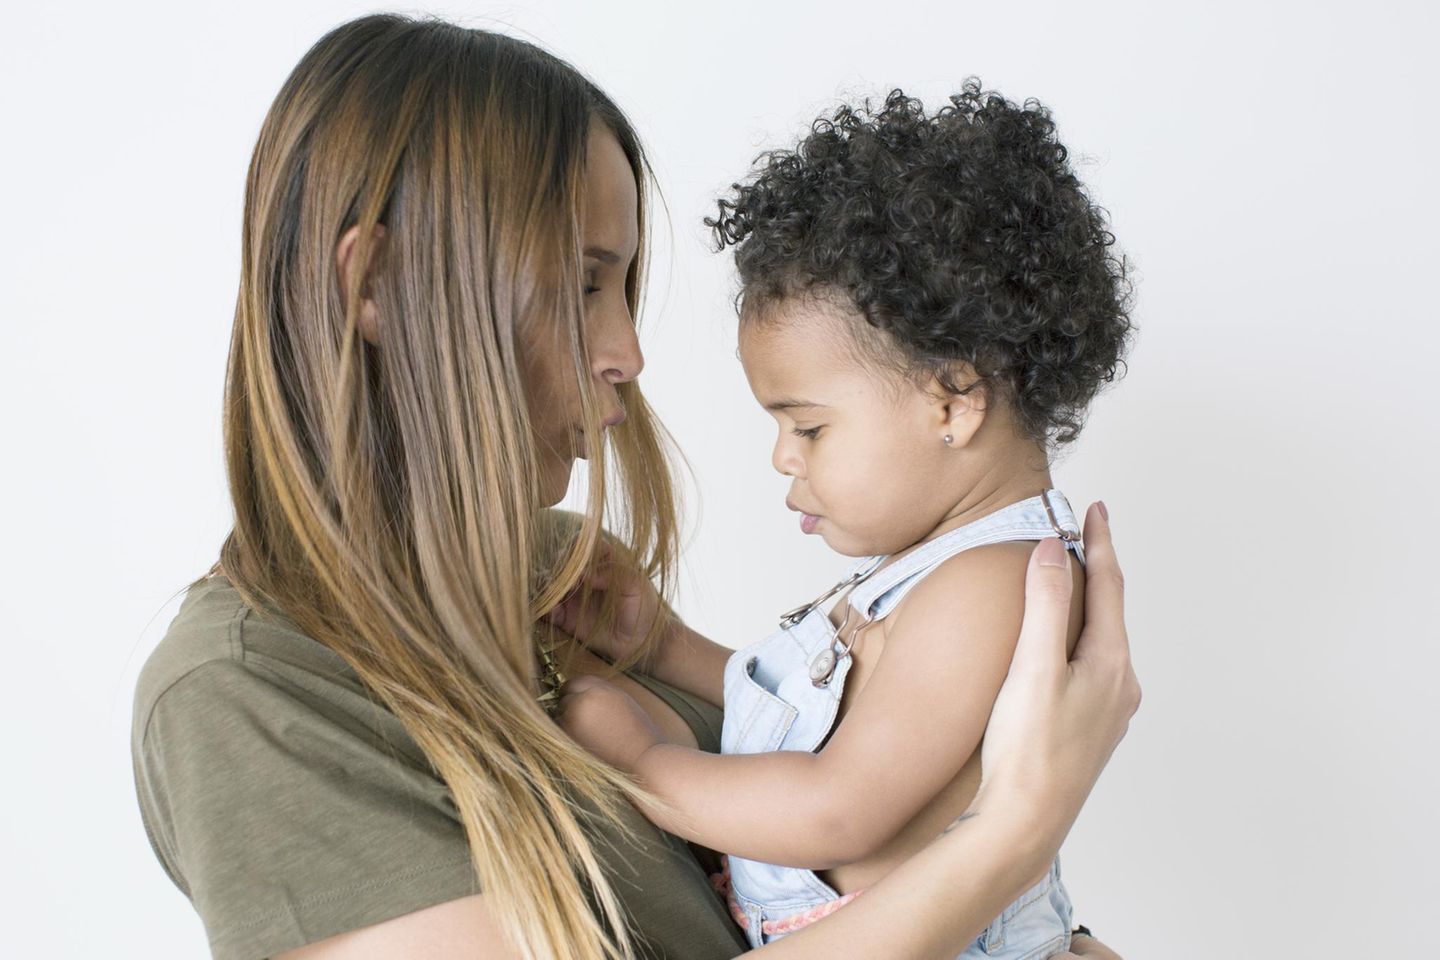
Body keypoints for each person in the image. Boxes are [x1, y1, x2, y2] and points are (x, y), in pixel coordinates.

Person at [129, 14, 1140, 960]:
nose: (627, 352)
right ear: (376, 289)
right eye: (580, 287)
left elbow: (842, 830)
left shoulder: (556, 584)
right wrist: (1015, 833)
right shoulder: (251, 695)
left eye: (623, 288)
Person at [554, 86, 1132, 958]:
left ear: (954, 398)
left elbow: (841, 806)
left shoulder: (997, 584)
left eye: (809, 426)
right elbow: (857, 725)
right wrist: (666, 648)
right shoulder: (942, 569)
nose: (784, 458)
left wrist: (645, 768)